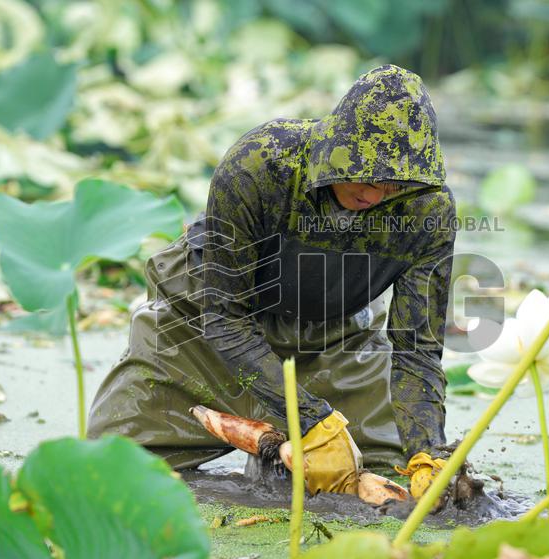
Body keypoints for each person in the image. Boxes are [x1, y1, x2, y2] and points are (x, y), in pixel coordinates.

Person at [88, 64, 455, 499]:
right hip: (202, 326)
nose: (374, 195)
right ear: (336, 150)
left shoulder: (428, 213)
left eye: (392, 185)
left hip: (330, 337)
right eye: (365, 175)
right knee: (106, 472)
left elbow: (417, 352)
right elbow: (224, 320)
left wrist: (428, 454)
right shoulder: (260, 163)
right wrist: (313, 419)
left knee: (393, 484)